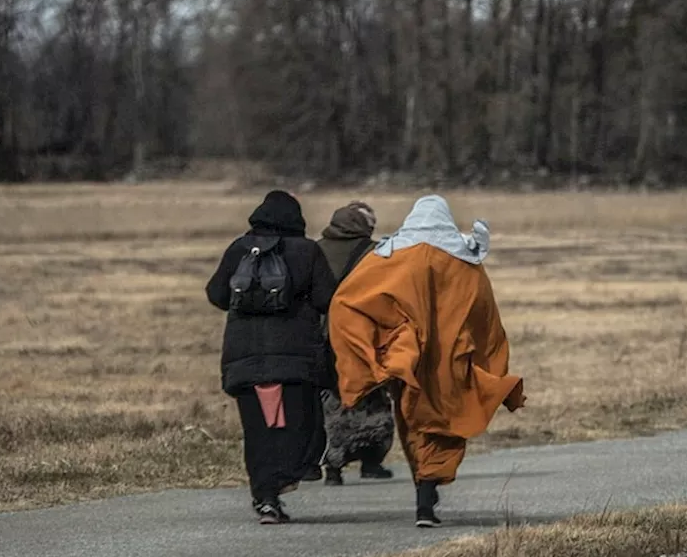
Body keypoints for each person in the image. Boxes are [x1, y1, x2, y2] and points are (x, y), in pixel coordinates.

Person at [327, 195, 526, 528]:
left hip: (411, 363)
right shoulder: (465, 262)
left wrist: (376, 350)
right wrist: (491, 365)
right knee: (444, 425)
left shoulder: (392, 257)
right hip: (452, 364)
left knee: (413, 422)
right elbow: (485, 317)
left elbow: (348, 301)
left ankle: (424, 492)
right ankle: (428, 491)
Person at [205, 190, 338, 525]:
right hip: (296, 359)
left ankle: (265, 496)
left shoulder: (239, 248)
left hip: (244, 358)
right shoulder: (308, 250)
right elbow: (326, 299)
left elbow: (217, 294)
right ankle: (285, 478)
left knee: (257, 432)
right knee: (300, 426)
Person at [310, 201, 395, 486]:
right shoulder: (375, 253)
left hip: (323, 335)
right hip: (362, 335)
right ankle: (372, 460)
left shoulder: (315, 249)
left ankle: (332, 463)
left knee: (331, 398)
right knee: (372, 393)